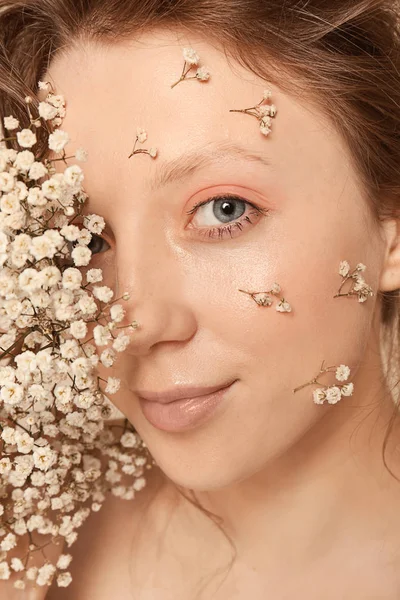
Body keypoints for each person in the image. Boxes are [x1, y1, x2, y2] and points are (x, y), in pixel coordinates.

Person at [1, 0, 400, 598]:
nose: (132, 324)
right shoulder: (30, 553)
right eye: (85, 238)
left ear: (390, 226)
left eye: (225, 210)